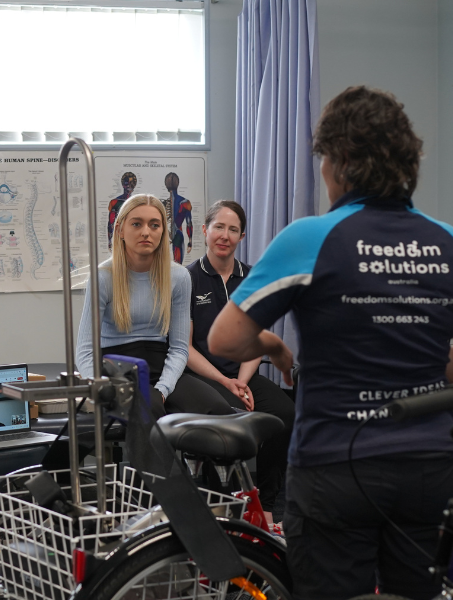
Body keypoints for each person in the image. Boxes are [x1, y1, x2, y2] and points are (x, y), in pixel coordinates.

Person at [208, 86, 453, 600]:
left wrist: (275, 348)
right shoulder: (445, 241)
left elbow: (225, 338)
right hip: (428, 468)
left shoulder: (310, 237)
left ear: (339, 162)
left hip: (335, 467)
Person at [184, 200, 294, 527]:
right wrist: (225, 381)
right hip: (205, 378)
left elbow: (256, 338)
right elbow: (185, 347)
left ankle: (269, 506)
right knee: (230, 422)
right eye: (219, 227)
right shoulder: (187, 279)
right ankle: (228, 512)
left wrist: (243, 381)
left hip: (244, 374)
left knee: (285, 414)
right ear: (205, 231)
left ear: (242, 236)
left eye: (233, 230)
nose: (225, 236)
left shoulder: (251, 277)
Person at [76, 194, 222, 419]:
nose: (146, 232)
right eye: (136, 224)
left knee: (217, 411)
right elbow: (85, 350)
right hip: (117, 369)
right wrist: (101, 388)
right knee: (150, 408)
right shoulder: (103, 277)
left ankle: (199, 455)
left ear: (163, 231)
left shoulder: (179, 277)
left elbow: (180, 348)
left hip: (161, 365)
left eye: (154, 225)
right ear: (121, 230)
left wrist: (163, 388)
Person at [165, 172, 194, 263]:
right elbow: (189, 223)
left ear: (166, 185)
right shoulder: (184, 202)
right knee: (178, 265)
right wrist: (190, 241)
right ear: (178, 184)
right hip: (177, 234)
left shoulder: (162, 204)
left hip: (167, 237)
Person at [107, 172, 137, 250]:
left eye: (132, 184)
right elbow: (111, 224)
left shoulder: (136, 203)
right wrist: (110, 241)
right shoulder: (115, 202)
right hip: (118, 240)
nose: (129, 186)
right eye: (127, 183)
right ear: (123, 184)